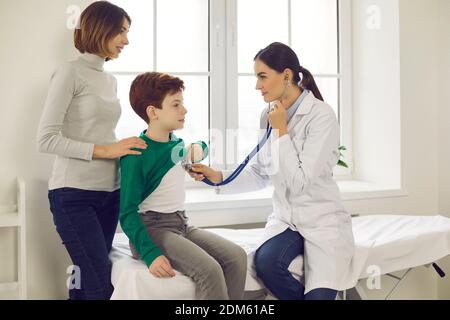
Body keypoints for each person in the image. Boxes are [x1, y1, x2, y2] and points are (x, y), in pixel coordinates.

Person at [189, 42, 355, 300]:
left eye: (262, 76)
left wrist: (280, 131)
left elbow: (299, 182)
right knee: (267, 264)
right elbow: (260, 172)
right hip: (287, 220)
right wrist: (218, 176)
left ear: (286, 75)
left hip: (322, 221)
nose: (257, 85)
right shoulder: (268, 115)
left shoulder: (321, 116)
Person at [37, 1, 147, 300]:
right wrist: (107, 150)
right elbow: (46, 139)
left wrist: (125, 149)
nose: (126, 40)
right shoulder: (68, 73)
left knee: (86, 278)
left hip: (109, 194)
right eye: (121, 31)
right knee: (100, 283)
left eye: (127, 32)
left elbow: (99, 133)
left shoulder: (109, 79)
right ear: (101, 29)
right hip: (74, 195)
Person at [119, 72, 247, 300]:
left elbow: (202, 148)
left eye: (182, 103)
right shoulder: (137, 154)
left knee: (236, 257)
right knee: (210, 271)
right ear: (153, 112)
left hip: (181, 224)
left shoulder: (176, 144)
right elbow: (127, 213)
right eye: (176, 104)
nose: (184, 110)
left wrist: (197, 150)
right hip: (153, 229)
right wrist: (150, 254)